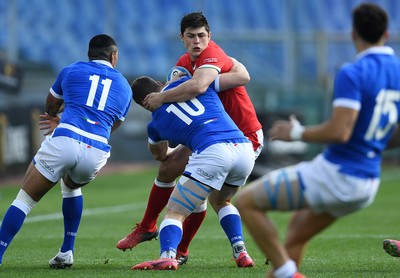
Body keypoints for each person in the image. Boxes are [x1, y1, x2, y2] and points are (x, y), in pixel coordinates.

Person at [234, 3, 400, 278]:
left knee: (247, 202)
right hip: (368, 181)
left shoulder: (353, 72)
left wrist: (296, 133)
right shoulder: (397, 70)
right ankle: (285, 270)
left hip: (337, 175)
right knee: (295, 237)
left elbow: (339, 132)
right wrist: (373, 146)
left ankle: (289, 272)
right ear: (386, 32)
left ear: (352, 34)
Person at [116, 11, 263, 267]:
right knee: (171, 168)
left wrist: (161, 99)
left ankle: (173, 253)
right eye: (191, 36)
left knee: (194, 198)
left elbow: (211, 83)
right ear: (182, 38)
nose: (197, 42)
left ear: (210, 37)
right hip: (221, 137)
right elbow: (185, 82)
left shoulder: (210, 59)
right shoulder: (185, 64)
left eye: (202, 36)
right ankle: (149, 226)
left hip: (244, 133)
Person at [0, 34, 132, 268]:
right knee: (71, 186)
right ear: (114, 56)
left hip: (66, 139)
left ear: (89, 54)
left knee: (25, 199)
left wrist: (60, 120)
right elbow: (112, 125)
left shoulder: (71, 71)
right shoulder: (124, 86)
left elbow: (50, 106)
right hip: (97, 150)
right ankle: (66, 252)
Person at [129, 72, 255, 270]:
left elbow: (160, 155)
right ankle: (241, 252)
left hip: (213, 151)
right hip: (243, 148)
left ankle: (167, 256)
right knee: (221, 201)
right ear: (161, 83)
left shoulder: (156, 124)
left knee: (175, 212)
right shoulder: (192, 83)